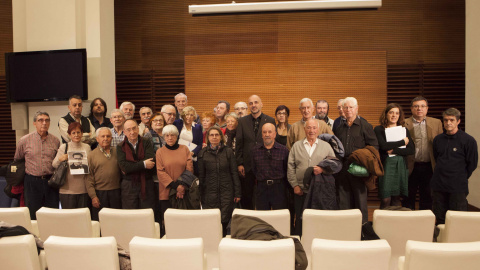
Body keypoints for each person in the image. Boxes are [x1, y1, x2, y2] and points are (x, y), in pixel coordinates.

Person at [287, 119, 336, 236]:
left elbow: (334, 165)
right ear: (304, 129)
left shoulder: (326, 146)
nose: (311, 130)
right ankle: (299, 245)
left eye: (314, 128)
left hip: (319, 191)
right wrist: (295, 185)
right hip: (300, 191)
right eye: (309, 128)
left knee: (317, 220)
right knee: (300, 219)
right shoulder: (296, 146)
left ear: (318, 130)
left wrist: (323, 169)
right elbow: (290, 167)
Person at [334, 97, 379, 223]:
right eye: (346, 107)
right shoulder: (339, 128)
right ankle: (345, 229)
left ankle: (362, 230)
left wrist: (362, 157)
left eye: (351, 107)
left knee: (360, 202)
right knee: (343, 202)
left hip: (359, 169)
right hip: (343, 169)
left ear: (356, 108)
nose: (348, 110)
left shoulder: (365, 126)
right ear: (342, 109)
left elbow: (374, 147)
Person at [432, 108, 478, 224]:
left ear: (458, 121)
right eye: (446, 120)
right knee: (439, 217)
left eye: (451, 120)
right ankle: (439, 240)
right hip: (439, 184)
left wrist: (460, 176)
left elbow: (472, 164)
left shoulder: (468, 140)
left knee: (458, 218)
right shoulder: (438, 139)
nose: (448, 123)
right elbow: (437, 158)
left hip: (457, 185)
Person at [14, 111, 61, 220]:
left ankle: (51, 235)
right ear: (34, 123)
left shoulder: (55, 141)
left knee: (52, 213)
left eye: (47, 120)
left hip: (51, 182)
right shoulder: (24, 140)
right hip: (32, 182)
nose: (44, 123)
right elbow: (18, 159)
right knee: (33, 214)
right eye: (40, 120)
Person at [235, 95, 276, 210]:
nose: (253, 105)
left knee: (263, 196)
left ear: (261, 104)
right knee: (247, 196)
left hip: (265, 165)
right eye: (251, 103)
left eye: (256, 102)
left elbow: (273, 143)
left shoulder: (270, 120)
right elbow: (239, 143)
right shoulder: (242, 121)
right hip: (247, 166)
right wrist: (239, 163)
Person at [198, 126, 241, 235]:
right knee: (212, 220)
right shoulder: (203, 153)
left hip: (227, 191)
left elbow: (234, 173)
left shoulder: (228, 152)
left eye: (217, 135)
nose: (214, 137)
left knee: (225, 219)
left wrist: (237, 192)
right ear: (208, 137)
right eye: (211, 135)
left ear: (221, 137)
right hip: (209, 192)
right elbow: (201, 176)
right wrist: (200, 194)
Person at [404, 96, 443, 210]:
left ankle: (425, 224)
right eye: (416, 106)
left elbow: (441, 145)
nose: (419, 109)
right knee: (408, 195)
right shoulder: (404, 123)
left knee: (427, 196)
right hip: (410, 165)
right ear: (411, 109)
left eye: (422, 106)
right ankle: (406, 223)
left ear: (427, 108)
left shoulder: (436, 123)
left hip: (429, 165)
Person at [374, 103, 415, 209]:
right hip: (386, 166)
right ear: (386, 114)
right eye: (391, 112)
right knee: (385, 199)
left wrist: (393, 150)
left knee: (397, 198)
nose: (394, 115)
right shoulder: (379, 129)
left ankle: (394, 224)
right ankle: (381, 224)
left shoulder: (404, 130)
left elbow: (411, 150)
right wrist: (402, 142)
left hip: (401, 165)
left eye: (397, 113)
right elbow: (383, 146)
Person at [156, 125, 193, 227]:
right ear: (164, 137)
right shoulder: (160, 152)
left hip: (183, 191)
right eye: (167, 135)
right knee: (169, 223)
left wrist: (182, 186)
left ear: (177, 136)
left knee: (184, 223)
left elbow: (189, 169)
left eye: (172, 135)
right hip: (167, 192)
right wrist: (176, 186)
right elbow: (160, 172)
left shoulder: (184, 149)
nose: (170, 138)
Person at [117, 119, 156, 209]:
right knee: (130, 214)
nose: (132, 132)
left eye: (134, 128)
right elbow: (124, 167)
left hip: (146, 182)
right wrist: (143, 164)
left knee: (147, 212)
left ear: (138, 129)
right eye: (129, 130)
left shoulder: (146, 142)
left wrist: (132, 166)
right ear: (124, 132)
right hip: (128, 184)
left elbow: (151, 162)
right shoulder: (120, 146)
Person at [52, 122, 91, 209]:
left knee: (82, 218)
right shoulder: (64, 147)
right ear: (69, 135)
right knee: (69, 218)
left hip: (83, 189)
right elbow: (54, 164)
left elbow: (91, 165)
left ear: (82, 134)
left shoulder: (87, 147)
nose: (76, 135)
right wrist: (61, 159)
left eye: (78, 132)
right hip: (67, 190)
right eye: (73, 133)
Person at [87, 127, 122, 221]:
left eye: (108, 136)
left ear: (112, 138)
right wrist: (93, 196)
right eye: (102, 136)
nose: (105, 138)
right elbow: (88, 178)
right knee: (101, 222)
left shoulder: (118, 152)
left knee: (116, 221)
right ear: (97, 139)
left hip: (116, 192)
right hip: (100, 194)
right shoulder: (91, 155)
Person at [252, 123, 289, 210]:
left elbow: (287, 170)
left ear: (275, 134)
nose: (267, 135)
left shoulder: (284, 150)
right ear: (262, 135)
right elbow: (254, 170)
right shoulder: (255, 151)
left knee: (279, 217)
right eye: (264, 132)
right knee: (263, 218)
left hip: (279, 188)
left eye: (270, 132)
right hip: (261, 189)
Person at [174, 106, 203, 174]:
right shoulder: (177, 123)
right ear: (183, 115)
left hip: (191, 157)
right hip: (178, 156)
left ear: (194, 117)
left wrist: (192, 153)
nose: (189, 117)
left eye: (191, 115)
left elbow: (200, 144)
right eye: (187, 114)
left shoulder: (198, 127)